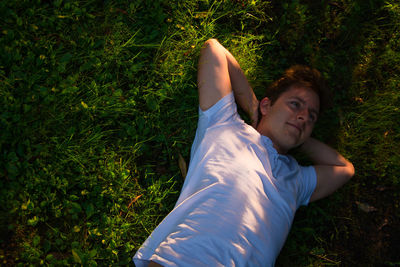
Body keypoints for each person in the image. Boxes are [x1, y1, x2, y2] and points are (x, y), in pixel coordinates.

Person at [133, 39, 354, 267]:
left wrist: (300, 136)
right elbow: (213, 49)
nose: (304, 116)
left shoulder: (296, 179)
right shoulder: (225, 125)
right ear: (268, 105)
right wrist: (252, 105)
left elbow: (344, 169)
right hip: (186, 259)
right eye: (296, 105)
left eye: (312, 117)